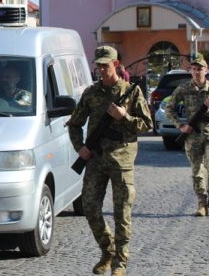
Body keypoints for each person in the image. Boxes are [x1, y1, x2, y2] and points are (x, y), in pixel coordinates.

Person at [66, 46, 152, 276]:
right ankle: (108, 250)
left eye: (106, 64)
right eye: (99, 65)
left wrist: (124, 117)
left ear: (116, 65)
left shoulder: (131, 92)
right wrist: (80, 147)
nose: (102, 69)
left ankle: (119, 264)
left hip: (121, 160)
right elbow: (74, 123)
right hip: (95, 160)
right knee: (90, 208)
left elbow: (147, 124)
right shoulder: (91, 93)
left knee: (121, 213)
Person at [164, 53, 209, 217]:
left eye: (200, 69)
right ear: (190, 71)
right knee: (196, 171)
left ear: (206, 70)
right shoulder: (183, 88)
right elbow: (169, 109)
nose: (197, 72)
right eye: (194, 69)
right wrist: (181, 126)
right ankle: (201, 203)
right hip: (192, 135)